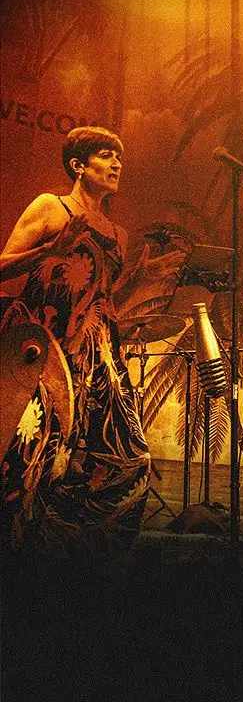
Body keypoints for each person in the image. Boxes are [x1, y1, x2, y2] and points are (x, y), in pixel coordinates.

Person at [0, 126, 184, 557]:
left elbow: (105, 299)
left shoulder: (118, 234)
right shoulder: (52, 207)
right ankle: (16, 557)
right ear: (78, 166)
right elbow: (3, 265)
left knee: (128, 457)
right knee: (33, 453)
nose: (117, 164)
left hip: (97, 358)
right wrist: (49, 251)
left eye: (119, 157)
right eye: (106, 155)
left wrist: (140, 278)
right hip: (46, 350)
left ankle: (73, 555)